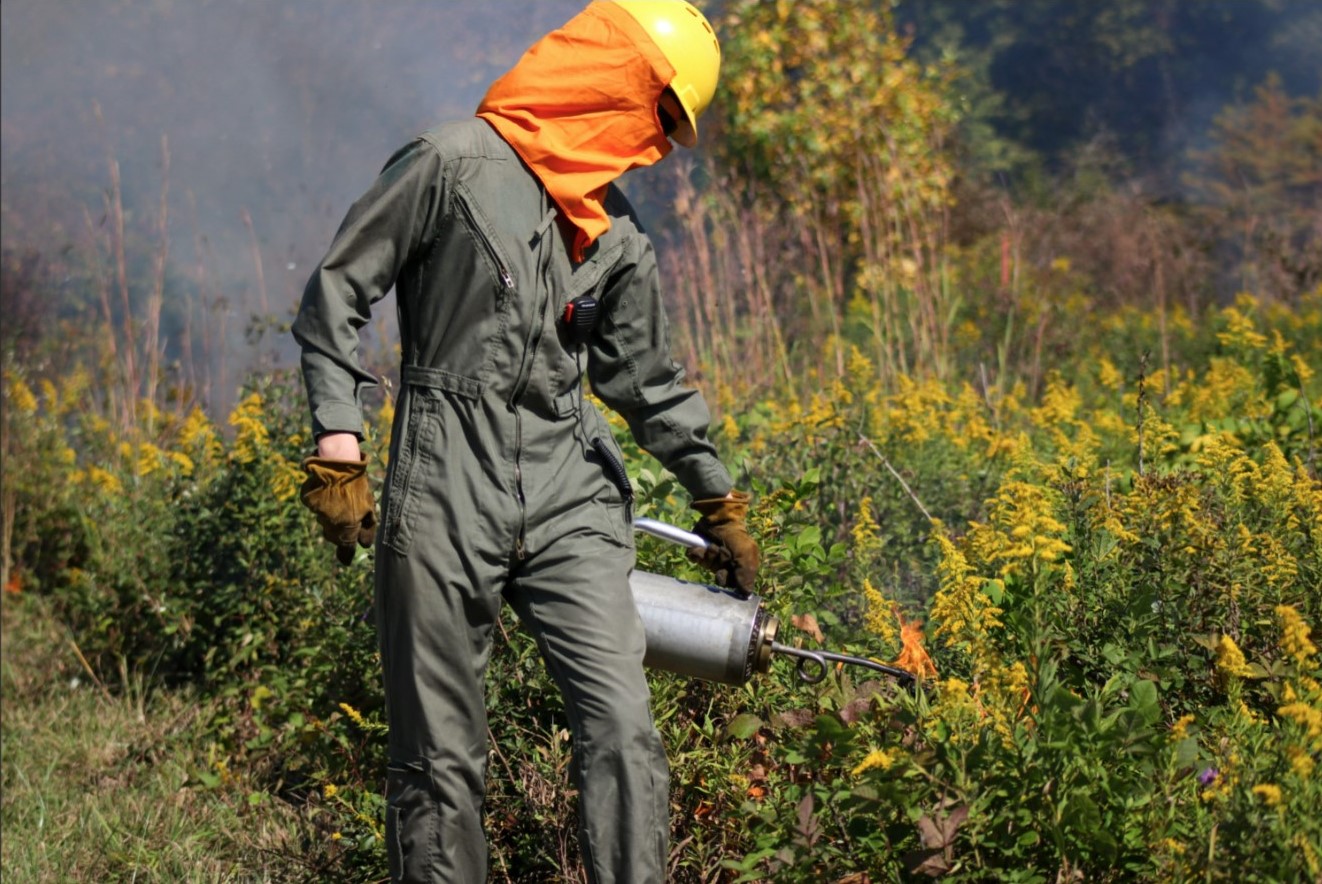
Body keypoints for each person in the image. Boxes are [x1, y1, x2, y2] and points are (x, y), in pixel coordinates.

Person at [291, 1, 760, 880]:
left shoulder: (617, 234)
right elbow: (336, 292)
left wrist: (716, 497)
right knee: (438, 760)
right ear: (610, 78)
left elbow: (645, 382)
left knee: (622, 726)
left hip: (569, 488)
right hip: (443, 480)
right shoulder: (450, 164)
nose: (654, 146)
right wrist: (339, 438)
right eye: (656, 116)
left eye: (669, 131)